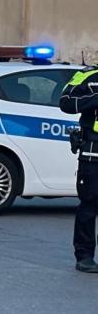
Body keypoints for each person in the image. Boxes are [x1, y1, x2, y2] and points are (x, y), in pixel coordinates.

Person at [60, 67, 98, 272]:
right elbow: (65, 103)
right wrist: (95, 99)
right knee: (89, 206)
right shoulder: (88, 76)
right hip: (93, 154)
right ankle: (84, 257)